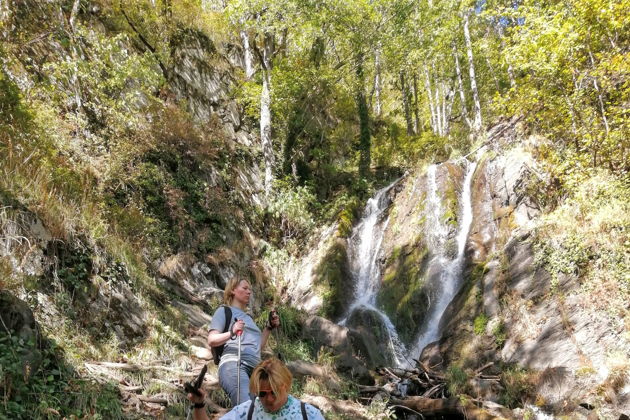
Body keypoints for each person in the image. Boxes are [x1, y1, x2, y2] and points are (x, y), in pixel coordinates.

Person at [207, 277, 280, 406]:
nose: (249, 292)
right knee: (246, 406)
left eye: (249, 289)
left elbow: (257, 347)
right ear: (233, 290)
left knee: (260, 410)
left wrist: (269, 327)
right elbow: (212, 340)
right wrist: (232, 332)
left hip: (256, 371)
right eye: (245, 288)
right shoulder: (224, 311)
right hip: (234, 364)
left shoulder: (249, 319)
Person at [187, 358, 325, 420]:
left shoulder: (309, 415)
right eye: (262, 394)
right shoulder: (246, 412)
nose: (269, 399)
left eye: (274, 392)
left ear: (286, 385)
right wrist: (199, 405)